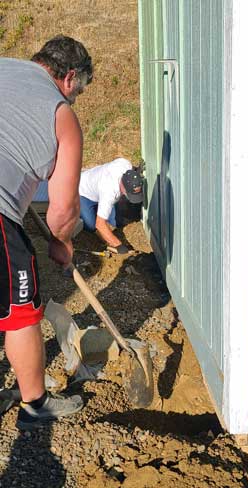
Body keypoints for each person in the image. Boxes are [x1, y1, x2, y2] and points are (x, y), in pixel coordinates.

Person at [0, 35, 93, 429]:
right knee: (20, 313)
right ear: (69, 77)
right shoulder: (61, 115)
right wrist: (61, 241)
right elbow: (62, 211)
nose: (77, 98)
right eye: (80, 90)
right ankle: (35, 403)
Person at [79, 158, 143, 253]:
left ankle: (100, 210)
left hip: (99, 190)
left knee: (116, 222)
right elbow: (100, 225)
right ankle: (76, 208)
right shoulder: (109, 192)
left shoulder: (126, 165)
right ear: (123, 186)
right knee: (91, 225)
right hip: (83, 192)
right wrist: (118, 245)